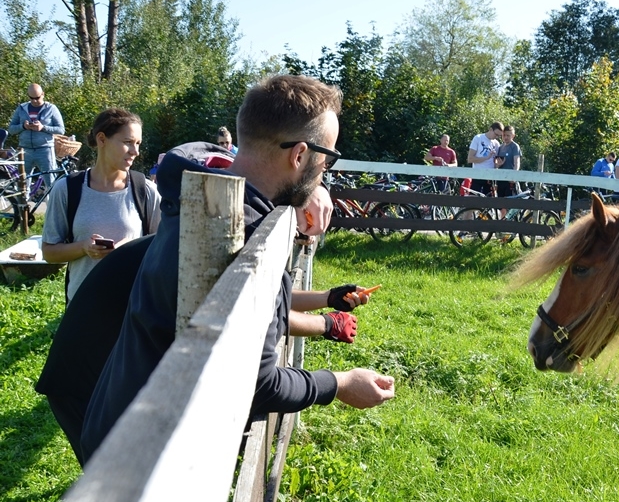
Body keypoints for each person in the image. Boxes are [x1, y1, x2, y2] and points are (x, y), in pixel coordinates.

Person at [79, 75, 395, 464]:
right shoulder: (248, 236)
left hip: (116, 415)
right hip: (143, 458)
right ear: (299, 155)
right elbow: (258, 383)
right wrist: (342, 382)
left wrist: (306, 188)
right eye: (326, 157)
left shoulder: (202, 193)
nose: (326, 170)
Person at [40, 108, 161, 303]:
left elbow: (161, 250)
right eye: (128, 142)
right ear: (102, 139)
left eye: (138, 143)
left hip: (131, 307)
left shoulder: (146, 191)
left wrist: (129, 250)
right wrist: (84, 248)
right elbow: (49, 252)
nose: (135, 151)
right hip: (82, 306)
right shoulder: (67, 189)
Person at [7, 83, 65, 191]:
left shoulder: (51, 108)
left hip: (45, 150)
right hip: (25, 150)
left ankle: (52, 207)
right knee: (22, 187)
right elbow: (11, 129)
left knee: (51, 184)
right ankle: (23, 208)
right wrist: (23, 126)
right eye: (31, 98)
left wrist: (43, 128)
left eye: (37, 98)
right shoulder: (21, 108)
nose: (34, 101)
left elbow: (61, 130)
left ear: (43, 94)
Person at [467, 122, 503, 195]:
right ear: (490, 129)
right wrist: (486, 158)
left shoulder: (496, 144)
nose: (496, 137)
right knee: (474, 201)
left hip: (490, 178)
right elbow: (470, 159)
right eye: (496, 134)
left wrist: (498, 165)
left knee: (488, 203)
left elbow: (494, 164)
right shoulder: (478, 138)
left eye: (499, 136)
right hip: (477, 176)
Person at [494, 125, 522, 198]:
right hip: (500, 179)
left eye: (508, 135)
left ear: (513, 136)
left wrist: (513, 176)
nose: (505, 137)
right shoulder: (500, 147)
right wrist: (498, 165)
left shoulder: (515, 146)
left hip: (510, 180)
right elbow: (496, 164)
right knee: (500, 203)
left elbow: (517, 163)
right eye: (504, 135)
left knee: (509, 203)